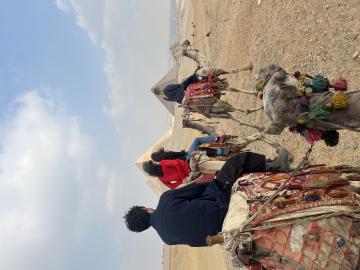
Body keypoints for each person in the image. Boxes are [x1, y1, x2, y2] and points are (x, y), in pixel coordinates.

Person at [124, 150, 290, 247]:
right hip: (220, 201)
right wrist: (213, 180)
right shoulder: (165, 200)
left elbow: (198, 242)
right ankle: (276, 166)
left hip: (222, 228)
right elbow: (198, 187)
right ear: (146, 210)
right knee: (238, 160)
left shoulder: (166, 239)